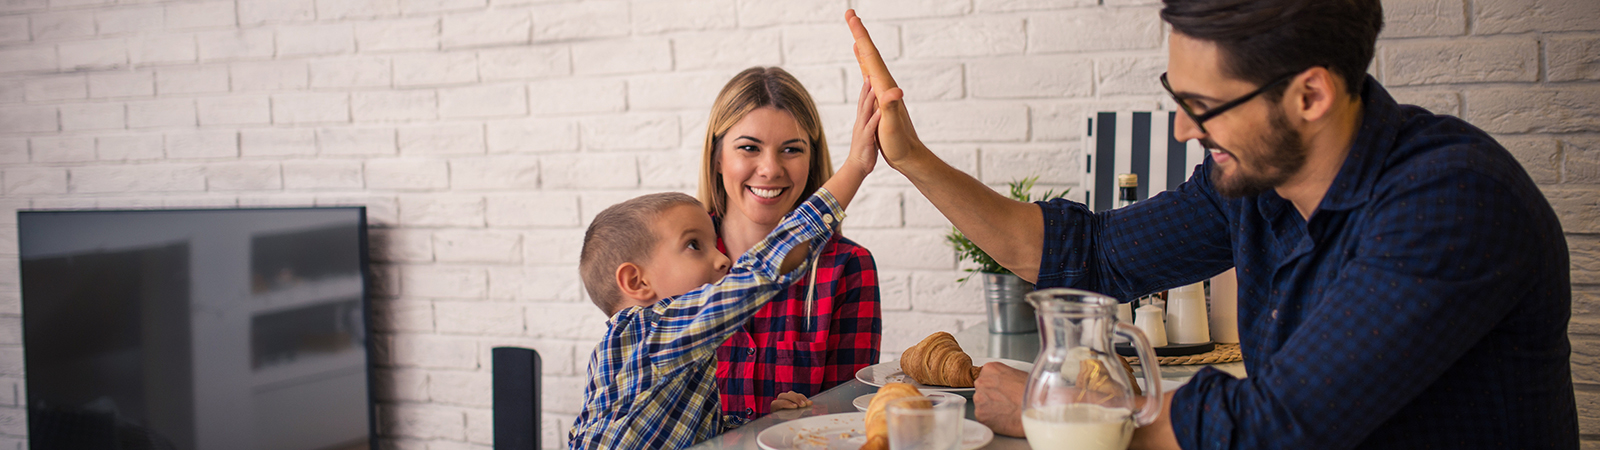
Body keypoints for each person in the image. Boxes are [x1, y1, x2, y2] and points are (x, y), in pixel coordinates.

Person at [846, 0, 1576, 448]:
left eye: (1204, 105)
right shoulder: (1255, 186)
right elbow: (1090, 255)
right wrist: (912, 159)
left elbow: (1274, 429)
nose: (1186, 131)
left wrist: (1059, 412)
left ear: (1309, 94)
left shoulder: (1451, 204)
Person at [566, 79, 883, 450]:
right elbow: (760, 273)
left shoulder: (847, 266)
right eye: (696, 246)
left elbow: (691, 428)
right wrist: (857, 166)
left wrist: (771, 420)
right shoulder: (651, 332)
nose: (721, 260)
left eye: (791, 149)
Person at [698, 67, 884, 420]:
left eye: (791, 150)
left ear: (811, 159)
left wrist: (799, 420)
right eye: (749, 148)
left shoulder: (848, 268)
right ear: (717, 156)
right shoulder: (676, 259)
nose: (770, 169)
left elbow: (846, 418)